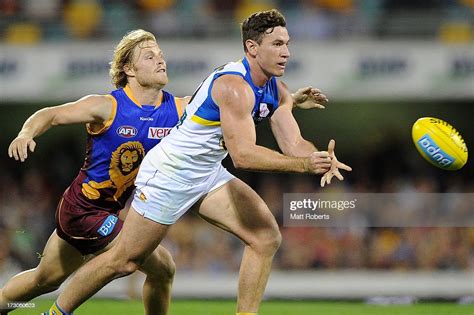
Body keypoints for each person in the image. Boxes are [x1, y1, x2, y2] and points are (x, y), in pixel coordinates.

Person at [0, 27, 327, 315]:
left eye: (161, 54)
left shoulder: (178, 108)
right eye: (149, 56)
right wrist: (27, 133)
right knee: (133, 262)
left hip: (117, 209)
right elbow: (52, 114)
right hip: (85, 208)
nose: (160, 60)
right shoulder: (108, 106)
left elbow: (227, 102)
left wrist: (290, 101)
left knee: (46, 279)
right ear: (128, 68)